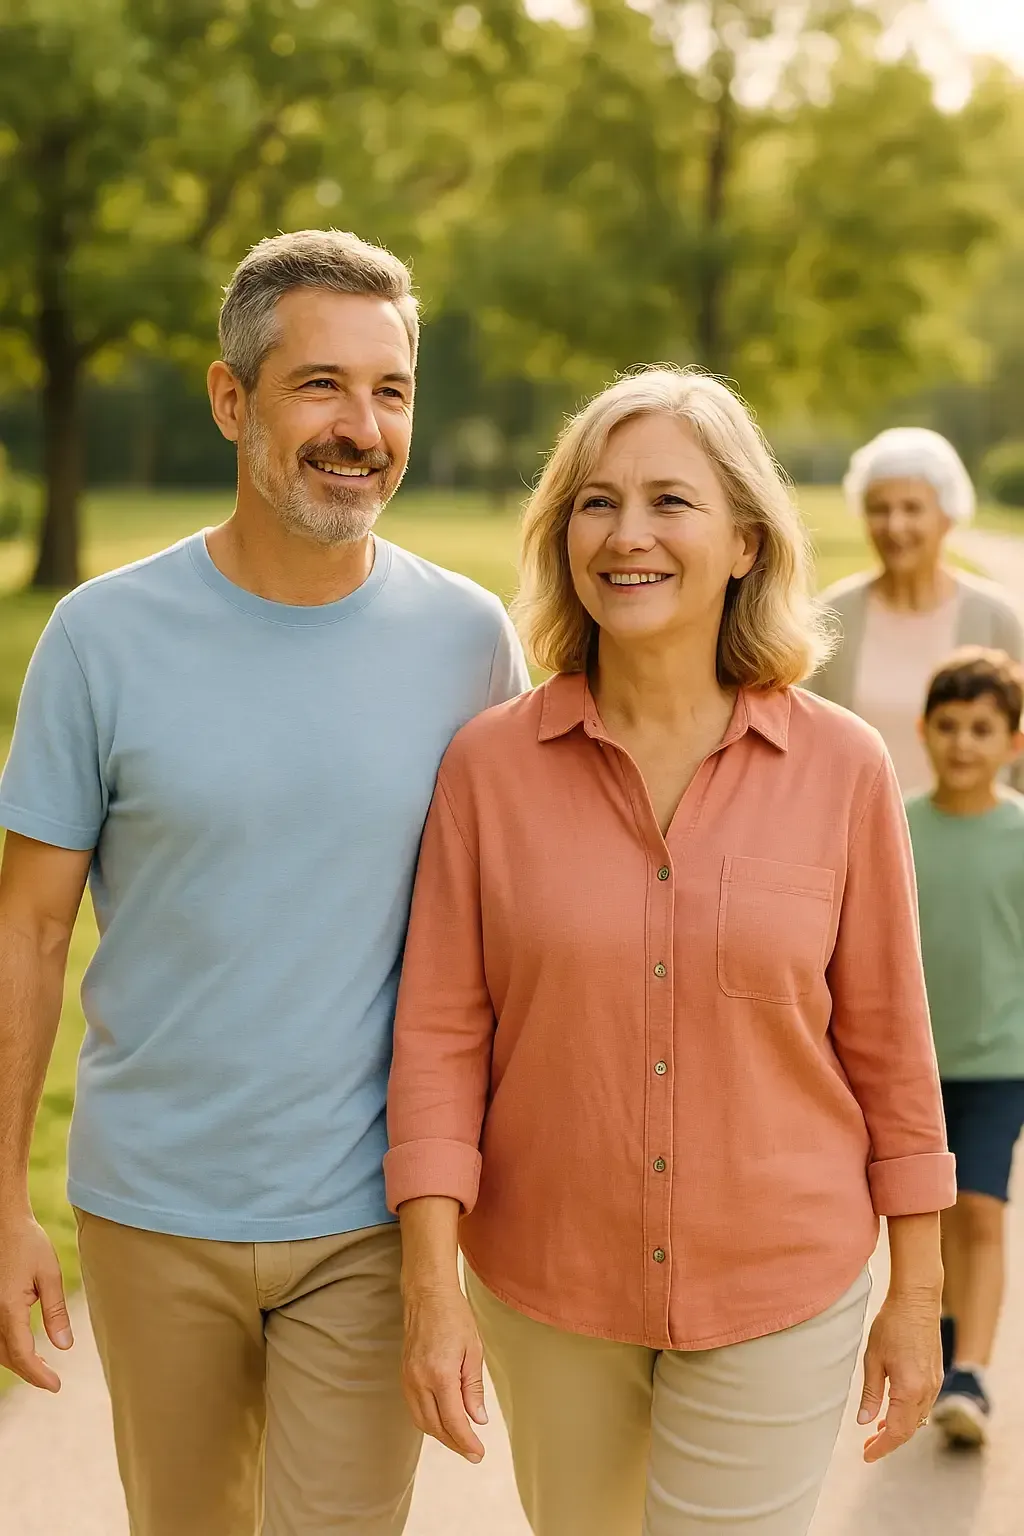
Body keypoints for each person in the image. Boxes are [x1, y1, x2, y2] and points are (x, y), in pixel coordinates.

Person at [0, 228, 529, 1536]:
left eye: (391, 390)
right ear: (232, 399)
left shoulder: (470, 641)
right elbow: (28, 928)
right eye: (321, 385)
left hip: (369, 1221)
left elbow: (516, 933)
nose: (363, 426)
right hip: (148, 1209)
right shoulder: (99, 637)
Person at [385, 368, 955, 1536]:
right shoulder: (486, 770)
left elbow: (892, 1043)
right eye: (596, 503)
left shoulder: (842, 770)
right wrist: (429, 1281)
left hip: (782, 1281)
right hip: (550, 1287)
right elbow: (440, 1036)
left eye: (668, 503)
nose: (627, 536)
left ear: (744, 541)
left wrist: (919, 1290)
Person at [906, 647, 1024, 1450]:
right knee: (936, 1212)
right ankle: (950, 1354)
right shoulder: (895, 825)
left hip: (1000, 1062)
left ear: (1014, 741)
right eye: (948, 726)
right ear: (923, 730)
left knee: (981, 1206)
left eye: (983, 729)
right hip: (910, 1063)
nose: (963, 744)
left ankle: (973, 1373)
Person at [809, 427, 1024, 793]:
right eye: (879, 509)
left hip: (970, 841)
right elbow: (808, 744)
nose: (895, 526)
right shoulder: (834, 615)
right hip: (857, 840)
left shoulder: (995, 619)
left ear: (947, 518)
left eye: (912, 508)